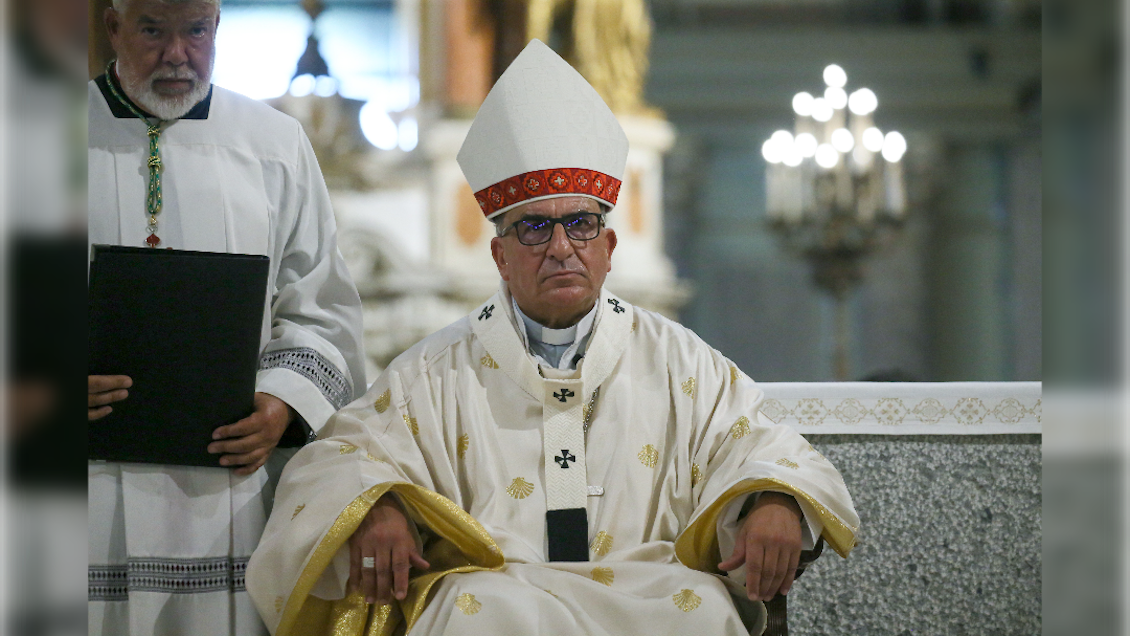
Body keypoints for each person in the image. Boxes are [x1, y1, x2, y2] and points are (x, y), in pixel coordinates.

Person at [246, 39, 857, 636]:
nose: (562, 247)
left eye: (581, 224)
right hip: (496, 590)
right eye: (535, 227)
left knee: (701, 607)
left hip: (651, 590)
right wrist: (375, 505)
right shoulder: (434, 372)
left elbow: (762, 445)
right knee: (471, 612)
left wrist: (774, 501)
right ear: (499, 255)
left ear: (609, 248)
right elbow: (337, 457)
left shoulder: (679, 362)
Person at [87, 0, 366, 634]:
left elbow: (320, 306)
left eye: (196, 31)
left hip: (230, 495)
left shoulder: (273, 143)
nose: (177, 55)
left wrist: (282, 403)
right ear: (113, 27)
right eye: (153, 30)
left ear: (217, 29)